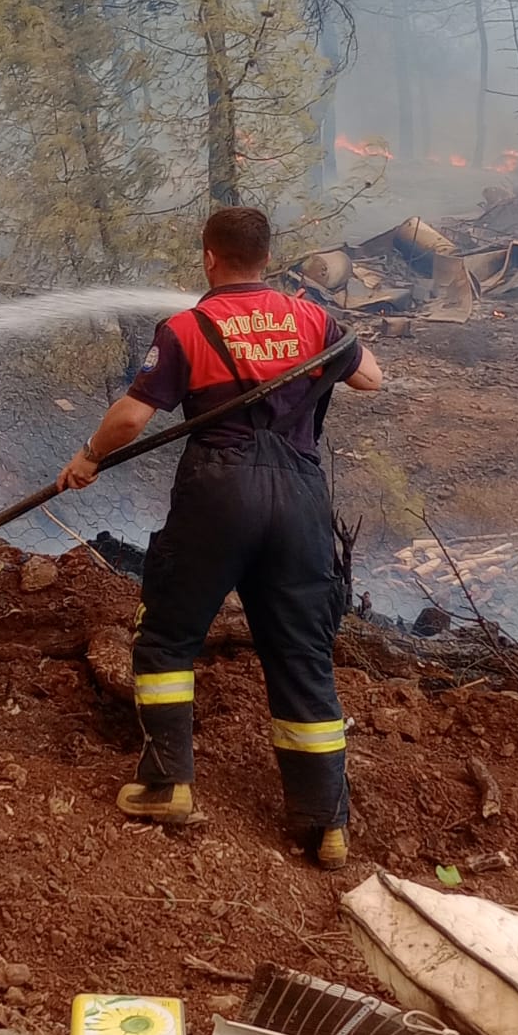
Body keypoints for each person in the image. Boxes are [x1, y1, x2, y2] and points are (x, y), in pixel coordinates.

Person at [57, 206, 383, 868]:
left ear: (209, 257)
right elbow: (371, 378)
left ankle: (166, 786)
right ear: (267, 259)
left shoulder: (187, 329)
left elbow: (132, 417)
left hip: (218, 494)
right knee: (301, 653)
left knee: (168, 635)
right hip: (299, 500)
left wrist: (89, 456)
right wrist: (316, 339)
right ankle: (326, 823)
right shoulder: (312, 319)